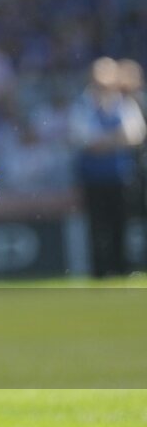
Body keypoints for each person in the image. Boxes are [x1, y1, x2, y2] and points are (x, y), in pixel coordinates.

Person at [69, 56, 146, 276]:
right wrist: (115, 139)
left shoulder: (122, 103)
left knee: (122, 224)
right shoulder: (83, 104)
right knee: (97, 226)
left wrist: (104, 141)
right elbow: (85, 140)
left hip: (120, 176)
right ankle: (100, 270)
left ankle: (123, 268)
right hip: (93, 177)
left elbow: (135, 135)